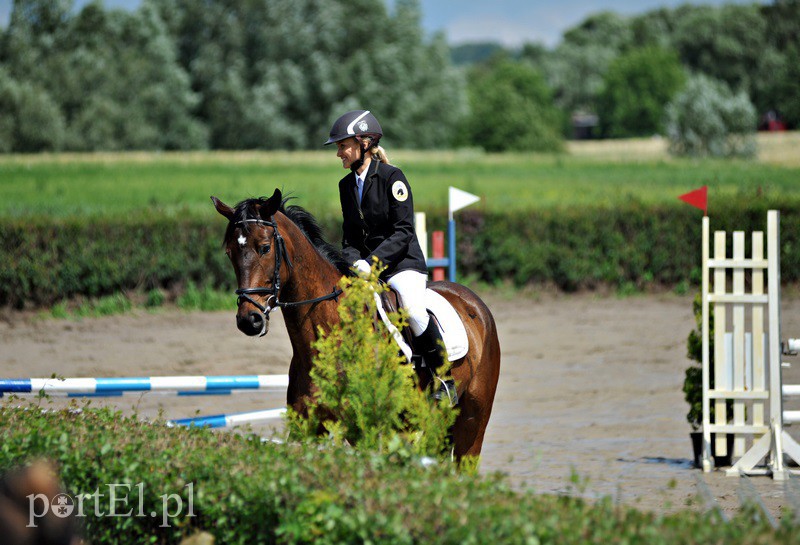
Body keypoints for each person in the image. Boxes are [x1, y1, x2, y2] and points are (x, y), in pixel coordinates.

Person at [324, 110, 456, 405]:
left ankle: (443, 379)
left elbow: (403, 231)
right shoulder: (345, 186)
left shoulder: (392, 177)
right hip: (366, 267)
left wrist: (370, 263)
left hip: (401, 264)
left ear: (365, 143)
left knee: (411, 309)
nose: (339, 154)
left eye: (343, 146)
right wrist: (353, 260)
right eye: (338, 147)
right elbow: (350, 237)